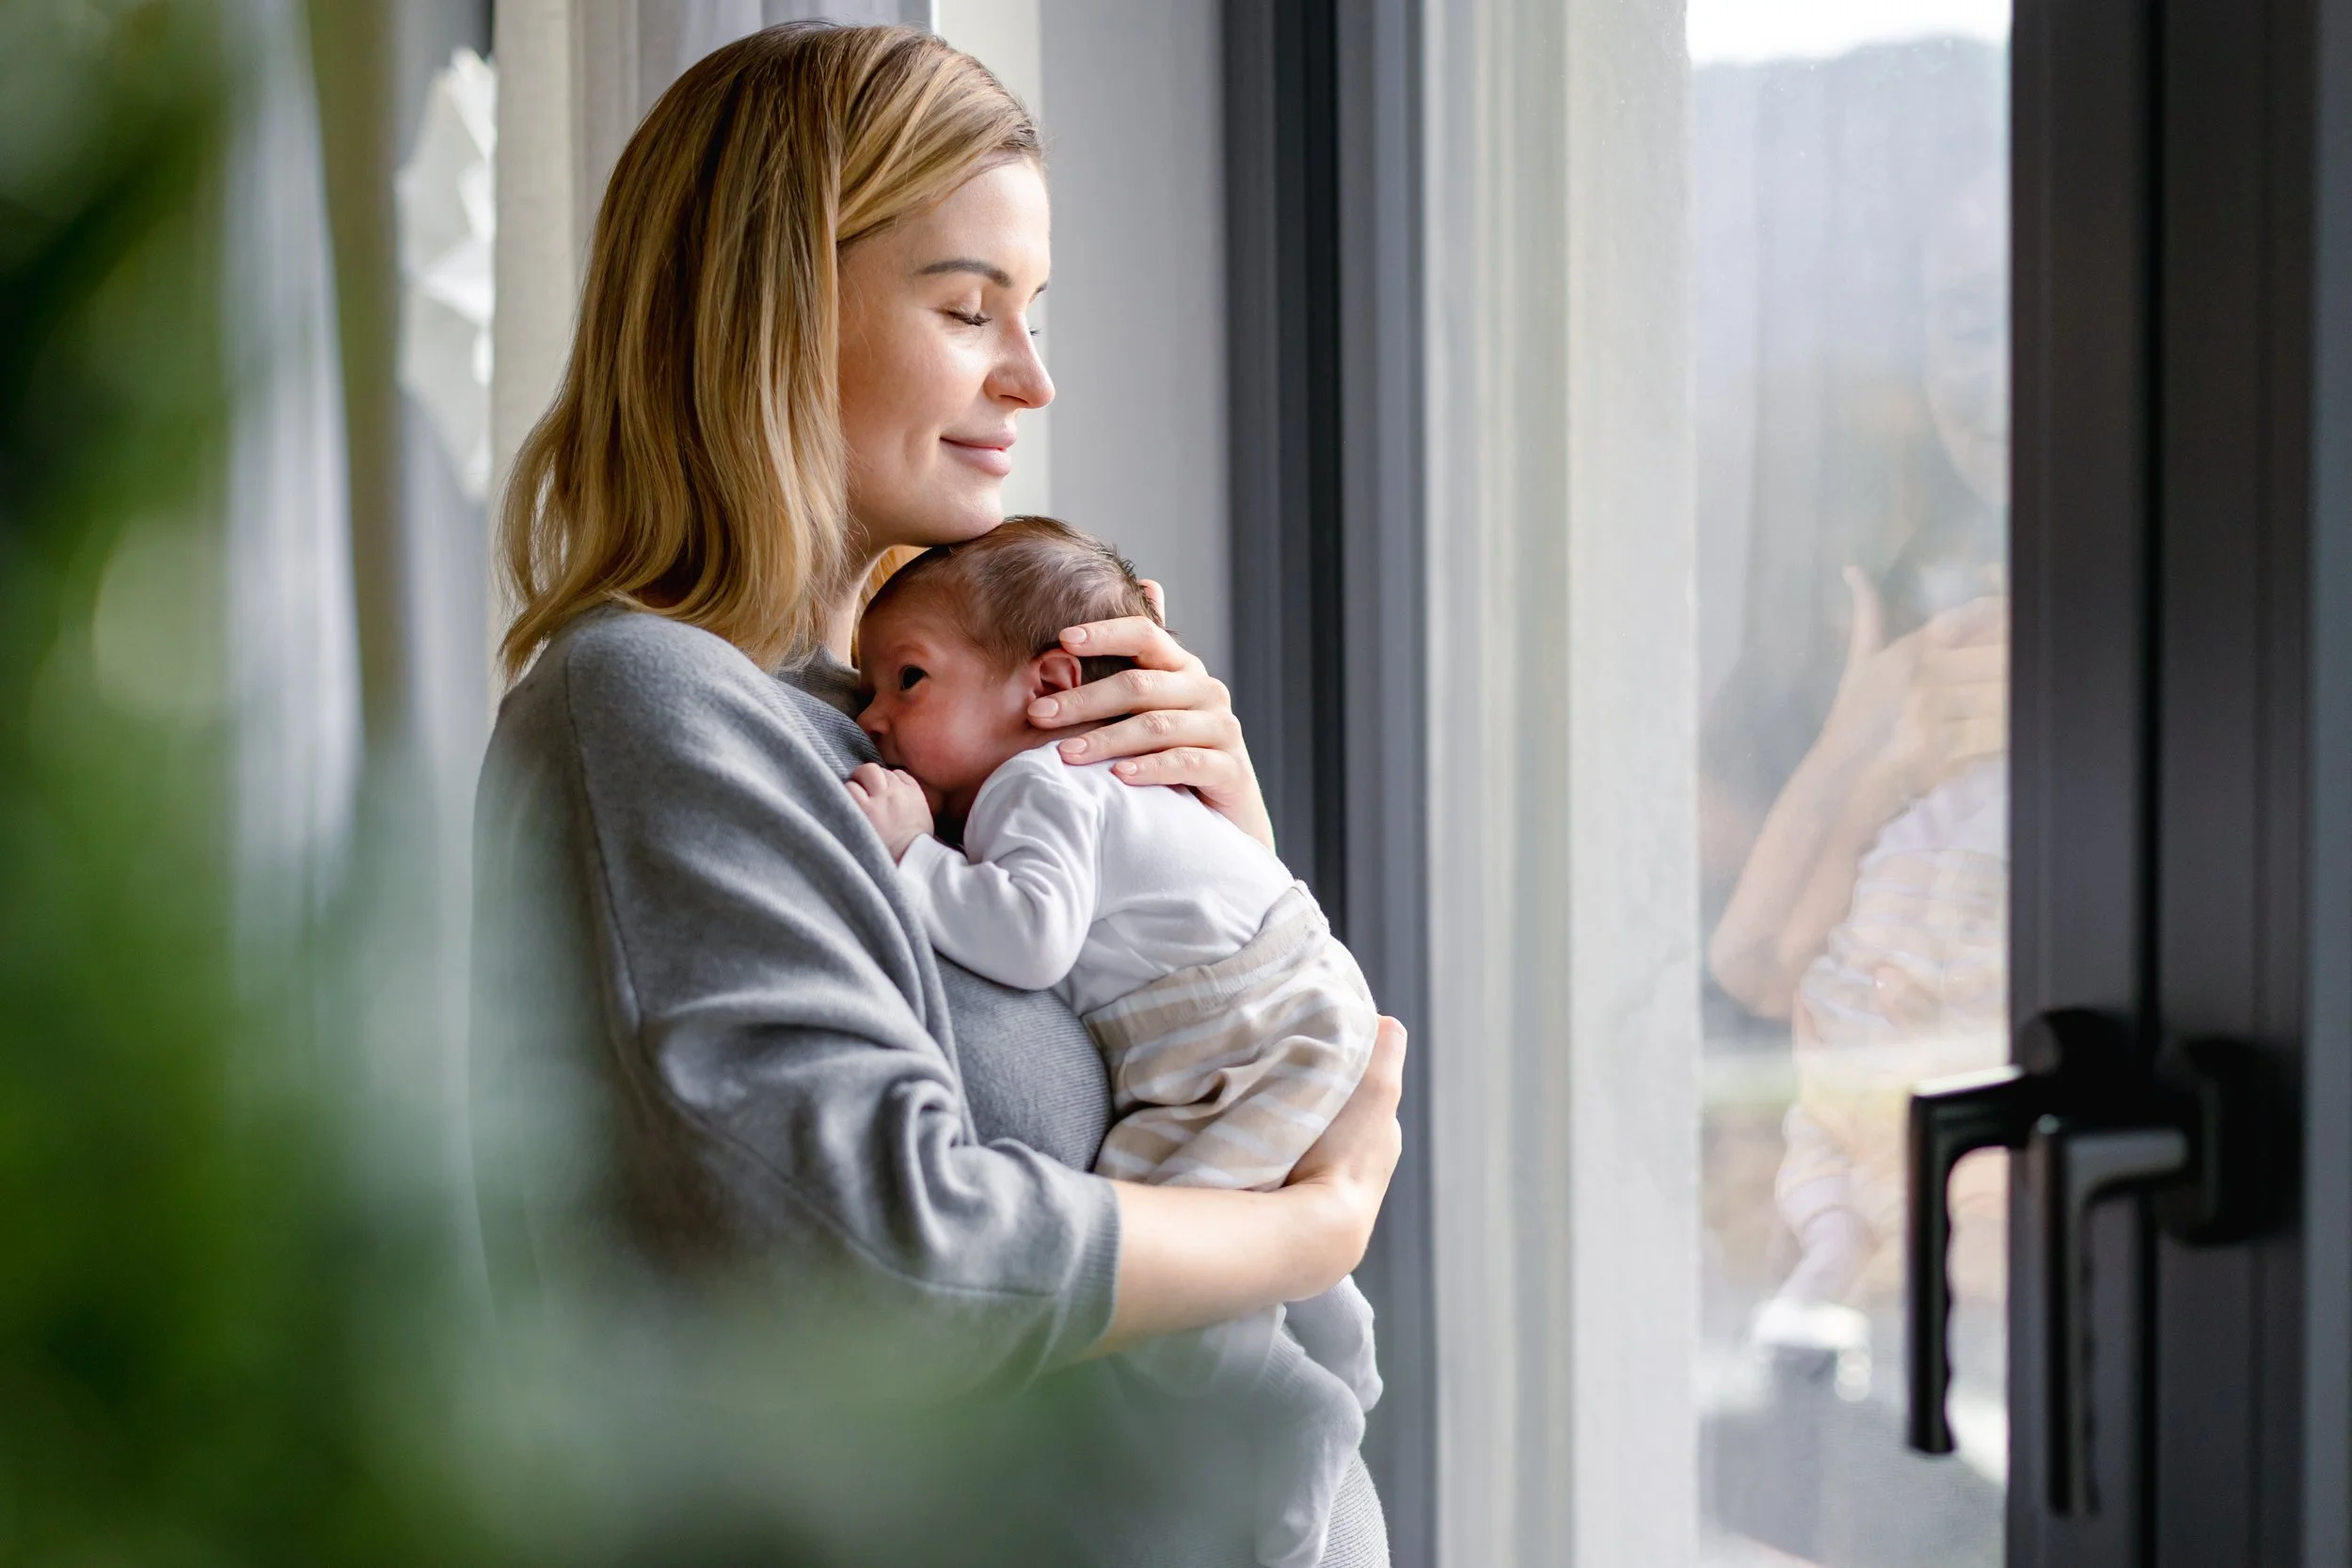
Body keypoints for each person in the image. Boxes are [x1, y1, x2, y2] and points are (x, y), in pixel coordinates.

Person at [469, 24, 1404, 1566]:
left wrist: (1221, 884)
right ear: (768, 317)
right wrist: (1307, 1226)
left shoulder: (913, 741)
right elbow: (879, 1256)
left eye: (1034, 311)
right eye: (970, 307)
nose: (1031, 377)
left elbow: (1248, 1275)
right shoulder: (654, 708)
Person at [843, 517, 1381, 1568]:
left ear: (1048, 684)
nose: (873, 717)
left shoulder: (1038, 781)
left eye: (908, 679)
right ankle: (1339, 1346)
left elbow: (1029, 936)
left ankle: (1293, 1416)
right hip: (1282, 1005)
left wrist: (908, 852)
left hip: (1238, 1033)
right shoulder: (1105, 781)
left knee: (1173, 1284)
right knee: (1254, 1211)